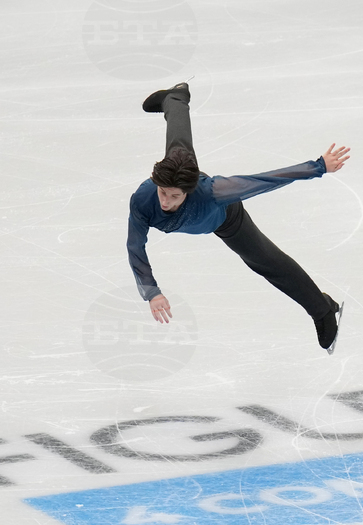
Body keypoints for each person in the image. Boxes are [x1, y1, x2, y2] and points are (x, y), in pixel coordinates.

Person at [127, 82, 349, 353]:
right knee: (178, 146)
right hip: (181, 172)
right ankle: (175, 96)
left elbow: (264, 181)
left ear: (188, 191)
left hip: (225, 219)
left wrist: (319, 166)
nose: (165, 201)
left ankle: (323, 310)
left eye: (174, 196)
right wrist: (151, 291)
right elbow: (135, 246)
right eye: (163, 193)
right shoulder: (143, 199)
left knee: (265, 260)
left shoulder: (214, 192)